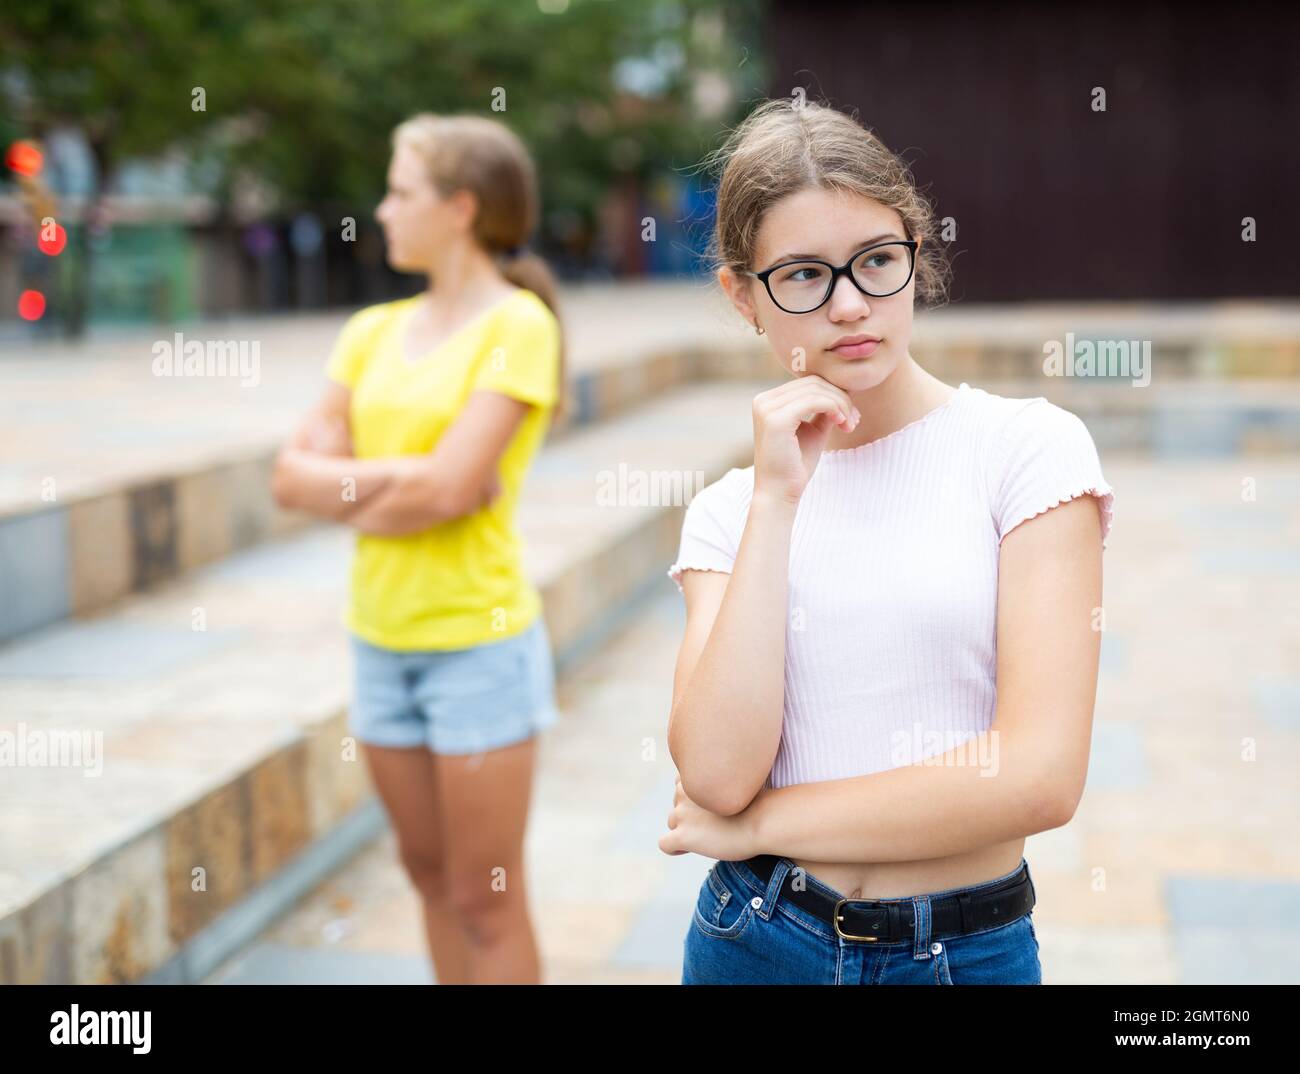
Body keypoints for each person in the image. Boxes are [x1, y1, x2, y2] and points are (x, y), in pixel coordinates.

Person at [659, 97, 1115, 985]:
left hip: (959, 951)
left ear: (917, 254)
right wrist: (777, 504)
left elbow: (1039, 777)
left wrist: (759, 829)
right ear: (742, 295)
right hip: (755, 939)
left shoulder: (1026, 450)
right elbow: (714, 775)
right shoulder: (730, 510)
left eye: (875, 262)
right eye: (802, 275)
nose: (849, 306)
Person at [272, 112, 565, 985]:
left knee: (486, 896)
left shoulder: (520, 326)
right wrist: (418, 482)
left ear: (460, 208)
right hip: (380, 642)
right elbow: (289, 478)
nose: (383, 210)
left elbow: (445, 492)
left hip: (477, 646)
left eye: (399, 192)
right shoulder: (368, 332)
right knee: (427, 875)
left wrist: (369, 482)